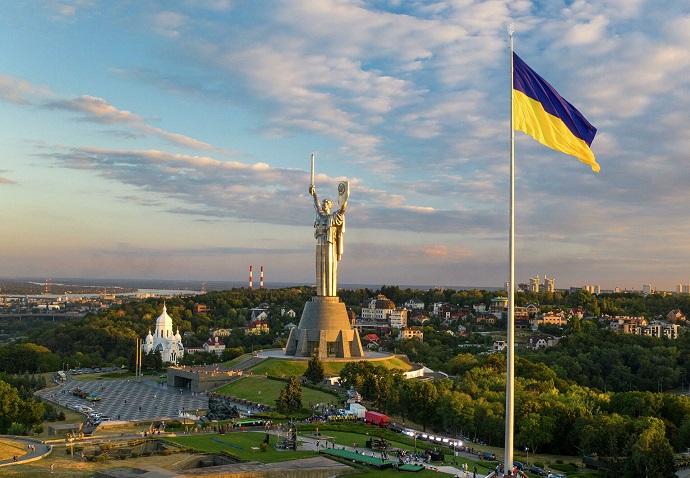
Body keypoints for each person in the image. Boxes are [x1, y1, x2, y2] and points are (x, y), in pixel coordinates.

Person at [309, 182, 348, 297]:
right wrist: (314, 193)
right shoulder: (320, 216)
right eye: (323, 203)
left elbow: (342, 211)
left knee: (329, 267)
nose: (324, 204)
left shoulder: (333, 217)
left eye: (326, 203)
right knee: (320, 267)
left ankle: (329, 294)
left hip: (329, 244)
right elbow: (316, 205)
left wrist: (344, 199)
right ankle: (320, 293)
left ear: (330, 206)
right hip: (319, 242)